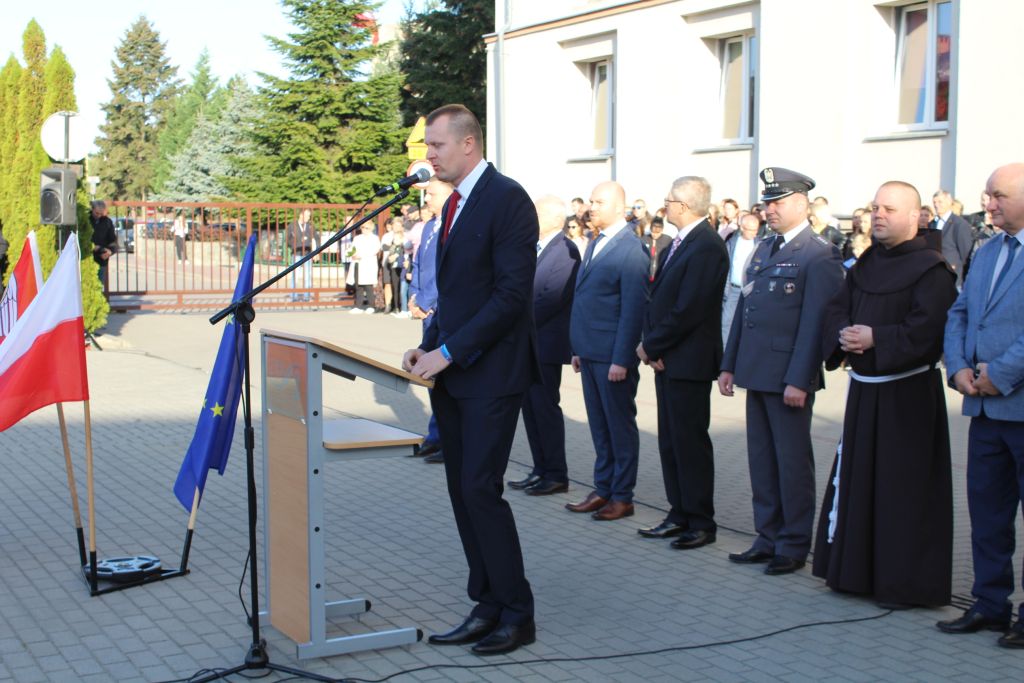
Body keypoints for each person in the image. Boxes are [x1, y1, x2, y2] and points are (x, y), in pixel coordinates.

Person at [402, 104, 539, 656]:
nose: (429, 156)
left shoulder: (507, 200)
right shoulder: (453, 204)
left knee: (481, 489)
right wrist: (429, 344)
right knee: (463, 492)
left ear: (468, 143)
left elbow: (510, 297)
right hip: (455, 375)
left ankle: (517, 613)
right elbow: (456, 297)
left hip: (493, 375)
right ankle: (486, 604)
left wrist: (450, 351)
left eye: (436, 145)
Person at [812, 181, 957, 608]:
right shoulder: (867, 261)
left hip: (907, 397)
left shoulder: (932, 269)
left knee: (901, 490)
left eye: (889, 209)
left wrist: (878, 338)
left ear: (915, 216)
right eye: (875, 207)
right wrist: (844, 334)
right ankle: (855, 574)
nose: (878, 215)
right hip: (865, 393)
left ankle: (901, 584)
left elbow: (929, 329)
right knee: (860, 482)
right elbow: (837, 306)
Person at [718, 167, 843, 576]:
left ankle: (793, 543)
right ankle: (767, 536)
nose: (769, 210)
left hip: (789, 376)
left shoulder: (818, 254)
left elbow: (815, 323)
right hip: (757, 370)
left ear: (801, 204)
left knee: (792, 464)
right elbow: (745, 310)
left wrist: (800, 378)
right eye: (767, 203)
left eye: (778, 203)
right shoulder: (764, 248)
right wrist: (729, 364)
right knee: (762, 461)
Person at [939, 163, 1024, 647]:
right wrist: (957, 368)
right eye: (988, 195)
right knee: (989, 516)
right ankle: (990, 604)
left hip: (1017, 403)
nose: (988, 204)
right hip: (985, 412)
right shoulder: (988, 250)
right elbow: (960, 313)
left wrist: (1000, 375)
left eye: (998, 195)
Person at [636, 176, 728, 549]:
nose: (665, 205)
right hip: (669, 359)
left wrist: (651, 346)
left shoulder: (706, 246)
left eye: (669, 200)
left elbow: (689, 309)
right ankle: (679, 513)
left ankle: (700, 521)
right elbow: (658, 300)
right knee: (671, 443)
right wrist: (654, 348)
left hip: (689, 362)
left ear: (685, 206)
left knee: (689, 444)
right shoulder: (682, 242)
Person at [564, 181, 649, 521]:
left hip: (613, 357)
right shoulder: (597, 241)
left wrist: (622, 359)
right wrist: (578, 348)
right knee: (600, 427)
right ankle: (603, 488)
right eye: (590, 201)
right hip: (590, 351)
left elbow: (633, 310)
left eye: (598, 202)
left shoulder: (631, 249)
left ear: (618, 207)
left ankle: (622, 496)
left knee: (619, 427)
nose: (591, 207)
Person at [508, 195, 581, 496]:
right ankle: (540, 469)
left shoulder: (566, 250)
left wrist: (514, 321)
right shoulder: (536, 247)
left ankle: (556, 474)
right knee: (530, 409)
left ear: (552, 218)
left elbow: (552, 297)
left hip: (546, 345)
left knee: (545, 408)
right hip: (529, 343)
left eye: (535, 213)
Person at [408, 177, 453, 464]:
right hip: (425, 312)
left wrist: (427, 303)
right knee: (431, 378)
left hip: (439, 311)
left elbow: (444, 273)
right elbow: (418, 265)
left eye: (431, 194)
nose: (426, 199)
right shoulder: (428, 226)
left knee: (445, 379)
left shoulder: (453, 225)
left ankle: (447, 440)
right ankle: (435, 437)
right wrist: (413, 297)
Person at [721, 213, 761, 345]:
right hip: (733, 290)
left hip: (751, 291)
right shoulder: (732, 243)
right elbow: (726, 267)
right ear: (742, 228)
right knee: (726, 324)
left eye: (756, 230)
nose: (754, 233)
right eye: (751, 230)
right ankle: (725, 353)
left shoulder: (760, 244)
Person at [931, 189, 976, 287]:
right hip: (935, 275)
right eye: (934, 202)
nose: (936, 205)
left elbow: (966, 253)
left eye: (940, 202)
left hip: (953, 277)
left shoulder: (959, 224)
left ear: (949, 202)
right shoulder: (933, 223)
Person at [287, 208, 320, 302]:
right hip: (296, 254)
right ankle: (293, 296)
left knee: (307, 276)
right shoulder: (292, 226)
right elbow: (287, 239)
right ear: (301, 215)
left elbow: (317, 238)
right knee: (295, 276)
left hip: (307, 254)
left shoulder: (310, 226)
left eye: (309, 215)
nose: (308, 217)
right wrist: (295, 245)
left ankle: (307, 296)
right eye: (307, 215)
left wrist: (317, 252)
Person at [347, 223, 380, 312]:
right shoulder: (357, 238)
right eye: (363, 227)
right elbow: (352, 248)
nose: (364, 229)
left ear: (371, 229)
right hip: (357, 263)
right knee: (358, 286)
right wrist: (352, 254)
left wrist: (361, 255)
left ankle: (371, 306)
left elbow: (374, 250)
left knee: (368, 286)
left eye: (367, 228)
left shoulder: (374, 238)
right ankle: (358, 306)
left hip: (367, 264)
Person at [90, 201, 118, 289]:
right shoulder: (86, 220)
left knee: (98, 287)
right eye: (96, 213)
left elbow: (113, 240)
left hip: (101, 260)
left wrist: (110, 251)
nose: (98, 215)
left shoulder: (107, 222)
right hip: (87, 258)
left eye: (101, 213)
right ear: (92, 209)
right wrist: (92, 247)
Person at [639, 216, 672, 282]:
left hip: (660, 276)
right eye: (653, 232)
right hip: (645, 275)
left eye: (657, 233)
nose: (655, 235)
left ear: (662, 230)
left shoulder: (668, 240)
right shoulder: (643, 239)